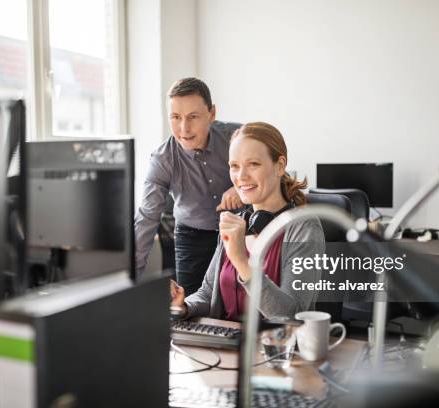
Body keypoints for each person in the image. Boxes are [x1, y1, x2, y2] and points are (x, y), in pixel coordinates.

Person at [170, 122, 325, 320]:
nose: (241, 176)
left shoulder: (304, 227)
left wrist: (241, 262)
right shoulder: (237, 224)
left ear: (280, 166)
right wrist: (182, 306)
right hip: (226, 346)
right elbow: (208, 294)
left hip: (276, 348)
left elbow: (291, 315)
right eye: (234, 166)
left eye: (253, 164)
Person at [135, 78, 242, 295]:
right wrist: (130, 279)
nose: (184, 128)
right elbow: (147, 215)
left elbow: (273, 172)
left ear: (211, 114)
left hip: (242, 230)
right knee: (191, 307)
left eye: (193, 117)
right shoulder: (162, 159)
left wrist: (240, 187)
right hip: (192, 236)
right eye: (175, 117)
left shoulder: (238, 138)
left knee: (242, 303)